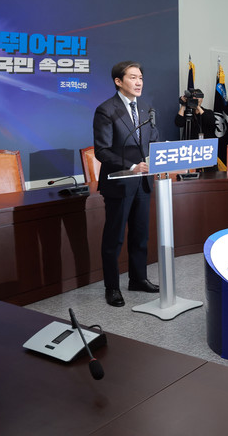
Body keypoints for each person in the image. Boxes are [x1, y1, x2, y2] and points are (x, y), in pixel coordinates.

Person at [93, 61, 160, 307]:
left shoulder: (146, 108)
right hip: (120, 183)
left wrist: (156, 159)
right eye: (133, 77)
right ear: (118, 82)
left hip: (143, 182)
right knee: (115, 238)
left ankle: (138, 279)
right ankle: (112, 287)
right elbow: (102, 151)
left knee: (141, 235)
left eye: (141, 77)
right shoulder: (106, 110)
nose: (139, 82)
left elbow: (153, 139)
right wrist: (131, 167)